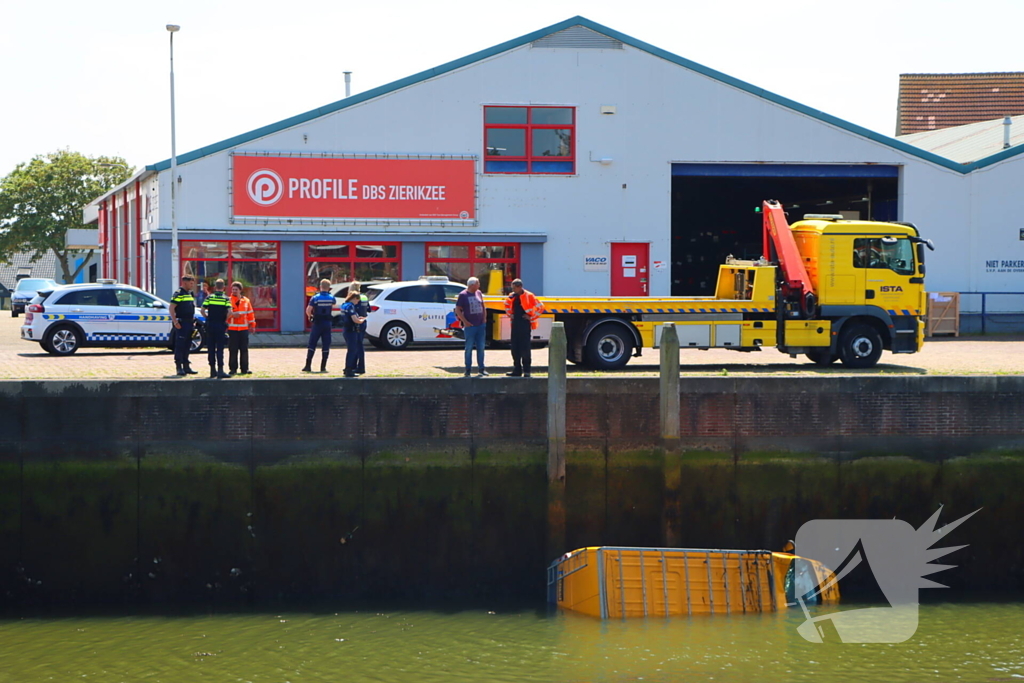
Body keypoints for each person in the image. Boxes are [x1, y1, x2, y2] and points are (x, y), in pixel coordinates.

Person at [504, 278, 543, 377]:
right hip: (515, 324)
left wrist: (531, 317)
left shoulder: (529, 295)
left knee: (525, 348)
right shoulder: (512, 296)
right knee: (515, 348)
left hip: (525, 324)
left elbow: (541, 307)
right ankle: (517, 370)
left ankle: (527, 371)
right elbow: (506, 305)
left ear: (520, 287)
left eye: (514, 288)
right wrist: (510, 314)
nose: (513, 290)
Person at [455, 276, 488, 377]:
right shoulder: (463, 295)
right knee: (469, 348)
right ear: (472, 285)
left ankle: (481, 369)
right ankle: (468, 369)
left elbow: (483, 306)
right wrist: (465, 321)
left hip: (480, 325)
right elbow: (458, 309)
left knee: (481, 347)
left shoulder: (479, 293)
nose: (479, 285)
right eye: (478, 283)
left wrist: (484, 318)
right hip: (470, 326)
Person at [202, 279, 232, 379]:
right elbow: (230, 312)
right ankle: (220, 370)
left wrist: (207, 318)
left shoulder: (209, 297)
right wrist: (225, 319)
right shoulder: (225, 299)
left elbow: (202, 310)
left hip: (210, 325)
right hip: (220, 325)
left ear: (215, 287)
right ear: (224, 288)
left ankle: (212, 370)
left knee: (210, 348)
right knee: (220, 348)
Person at [304, 278, 336, 373]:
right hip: (327, 323)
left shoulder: (315, 298)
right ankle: (323, 367)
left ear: (320, 287)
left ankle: (308, 366)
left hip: (317, 323)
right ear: (329, 287)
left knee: (312, 343)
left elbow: (308, 310)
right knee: (326, 344)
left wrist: (310, 316)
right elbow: (333, 306)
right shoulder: (332, 298)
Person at [169, 275, 199, 377]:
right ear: (184, 283)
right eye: (191, 283)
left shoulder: (190, 293)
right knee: (180, 345)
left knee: (187, 345)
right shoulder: (179, 294)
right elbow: (171, 308)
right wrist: (175, 322)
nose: (192, 285)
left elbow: (191, 308)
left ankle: (186, 366)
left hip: (190, 322)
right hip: (181, 323)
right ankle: (179, 367)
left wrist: (193, 320)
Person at [228, 281, 256, 375]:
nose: (234, 291)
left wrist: (252, 325)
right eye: (233, 289)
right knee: (233, 350)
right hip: (232, 329)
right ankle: (233, 369)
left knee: (244, 349)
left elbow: (250, 314)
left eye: (236, 289)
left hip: (243, 329)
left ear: (240, 290)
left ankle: (245, 369)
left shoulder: (246, 301)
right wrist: (233, 315)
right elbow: (225, 314)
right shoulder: (228, 300)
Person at [340, 291, 367, 378]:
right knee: (352, 351)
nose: (357, 302)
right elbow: (355, 320)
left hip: (346, 330)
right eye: (357, 300)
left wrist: (358, 318)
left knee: (350, 350)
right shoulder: (350, 306)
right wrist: (362, 320)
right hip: (351, 331)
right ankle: (349, 369)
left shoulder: (344, 305)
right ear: (354, 298)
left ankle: (347, 368)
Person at [352, 286, 371, 375]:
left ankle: (357, 367)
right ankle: (360, 366)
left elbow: (353, 310)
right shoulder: (364, 297)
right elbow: (369, 309)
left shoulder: (356, 298)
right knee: (359, 345)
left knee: (357, 346)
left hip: (357, 323)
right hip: (363, 322)